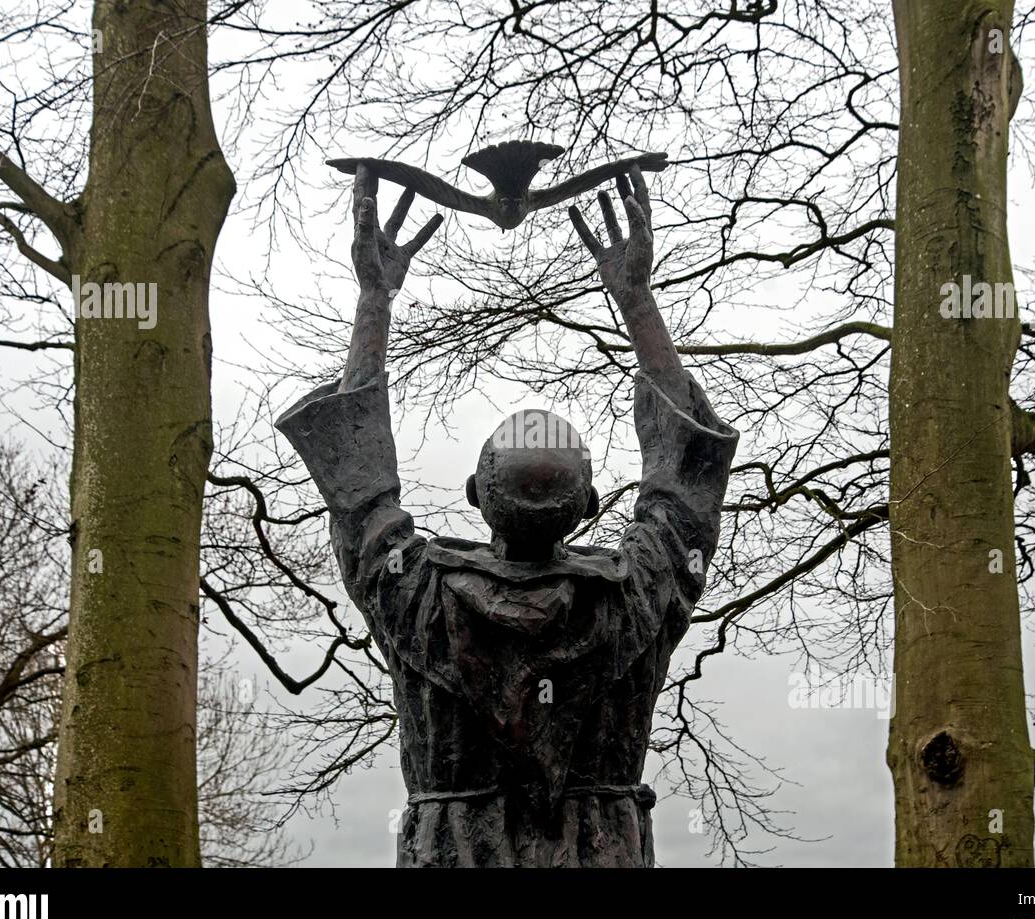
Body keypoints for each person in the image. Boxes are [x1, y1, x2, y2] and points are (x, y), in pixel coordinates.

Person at [277, 163, 738, 866]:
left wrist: (376, 299)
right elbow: (684, 481)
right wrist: (637, 301)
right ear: (586, 508)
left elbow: (360, 478)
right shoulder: (634, 601)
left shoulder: (421, 599)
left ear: (473, 492)